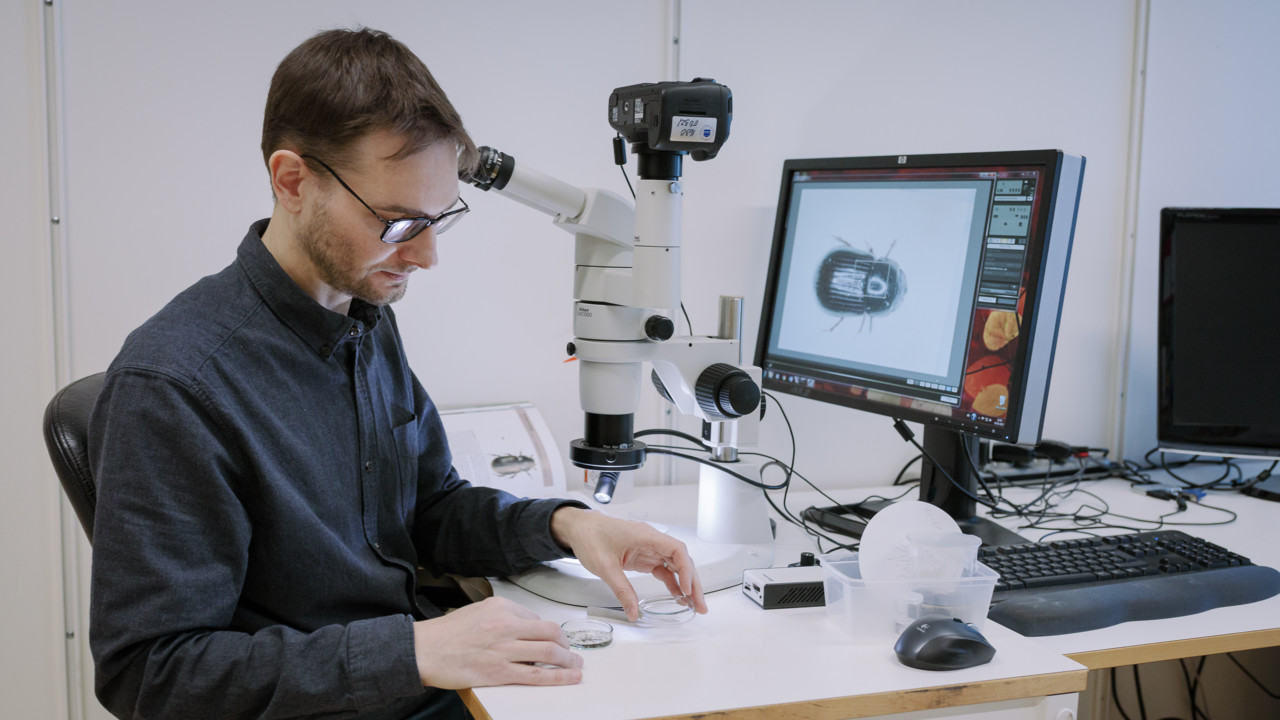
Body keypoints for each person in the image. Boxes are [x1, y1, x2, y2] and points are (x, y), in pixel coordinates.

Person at [87, 27, 705, 720]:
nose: (426, 257)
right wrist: (410, 652)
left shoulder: (362, 311)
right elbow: (150, 674)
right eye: (398, 222)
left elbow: (427, 508)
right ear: (293, 181)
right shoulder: (175, 388)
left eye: (439, 220)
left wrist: (564, 524)